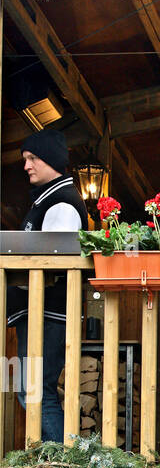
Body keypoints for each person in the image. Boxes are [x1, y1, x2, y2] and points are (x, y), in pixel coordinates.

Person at [6, 130, 89, 442]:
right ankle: (54, 467)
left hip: (48, 313)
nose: (26, 165)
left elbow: (51, 264)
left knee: (36, 391)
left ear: (52, 160)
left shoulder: (62, 205)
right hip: (41, 313)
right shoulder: (49, 200)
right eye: (25, 159)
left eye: (32, 158)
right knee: (33, 390)